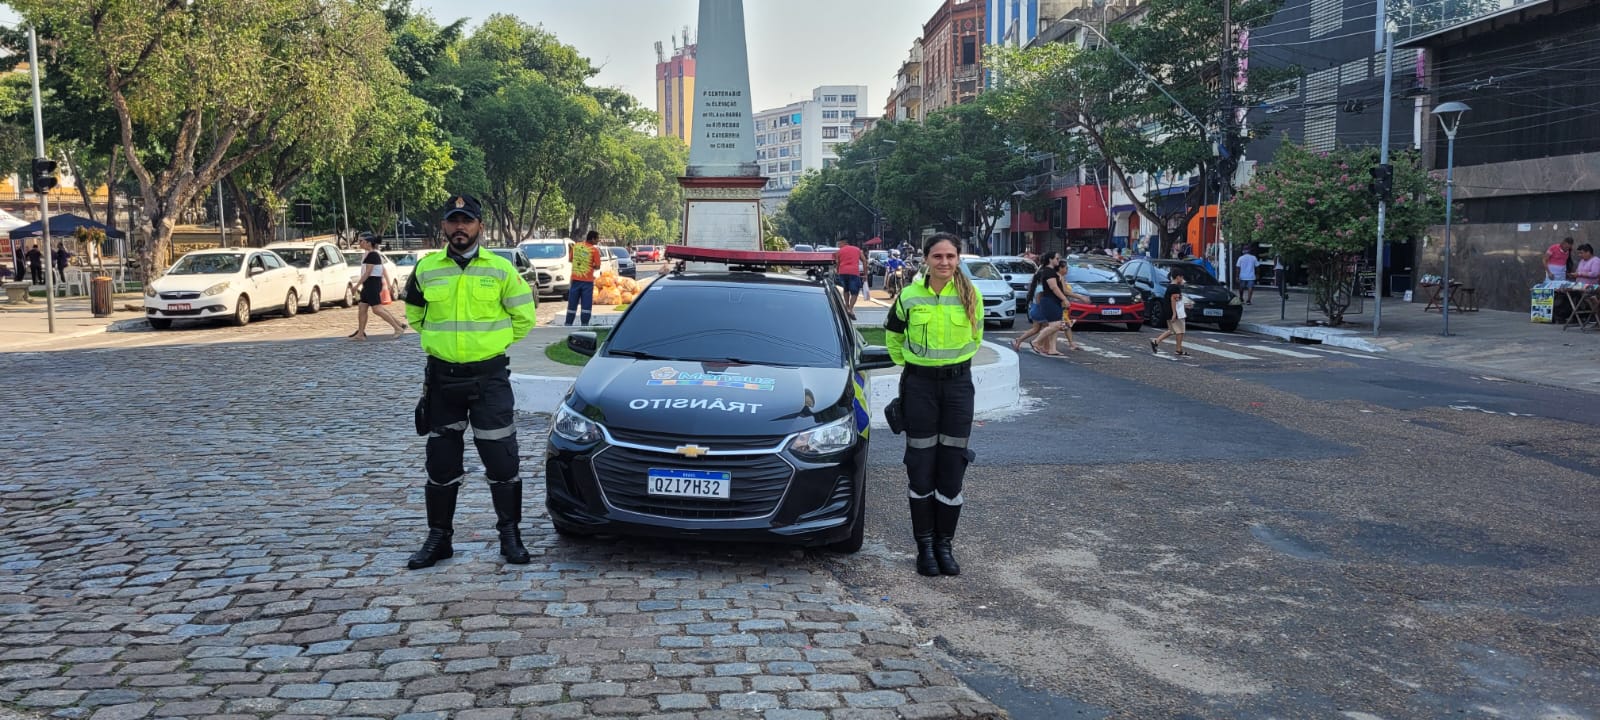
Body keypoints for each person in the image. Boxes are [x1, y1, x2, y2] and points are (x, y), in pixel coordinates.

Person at [402, 194, 538, 570]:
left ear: (480, 225)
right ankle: (439, 538)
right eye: (453, 220)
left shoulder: (500, 269)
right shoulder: (427, 268)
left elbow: (524, 317)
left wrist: (490, 345)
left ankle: (510, 536)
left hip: (489, 379)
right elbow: (414, 312)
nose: (459, 227)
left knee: (502, 459)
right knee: (441, 462)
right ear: (444, 226)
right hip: (442, 379)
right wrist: (442, 342)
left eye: (466, 220)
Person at [884, 232, 982, 577]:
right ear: (926, 259)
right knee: (921, 467)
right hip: (920, 388)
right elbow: (893, 336)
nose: (944, 262)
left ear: (958, 259)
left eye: (950, 256)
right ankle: (924, 547)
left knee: (952, 470)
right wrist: (913, 366)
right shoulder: (909, 296)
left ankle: (944, 545)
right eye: (937, 256)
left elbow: (977, 336)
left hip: (958, 389)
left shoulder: (971, 295)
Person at [349, 233, 407, 339]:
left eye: (361, 241)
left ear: (368, 243)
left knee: (377, 309)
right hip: (369, 284)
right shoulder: (370, 254)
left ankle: (397, 328)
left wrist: (356, 286)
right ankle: (360, 333)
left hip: (372, 284)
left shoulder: (373, 255)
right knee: (362, 307)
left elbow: (368, 272)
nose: (359, 243)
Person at [1149, 271, 1192, 358]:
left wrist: (1185, 305)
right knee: (1180, 331)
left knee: (1172, 330)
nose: (1183, 279)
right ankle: (1178, 350)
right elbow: (1173, 300)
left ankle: (1156, 341)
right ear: (1178, 277)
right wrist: (1174, 313)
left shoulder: (1171, 286)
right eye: (1182, 277)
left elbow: (1176, 300)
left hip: (1169, 311)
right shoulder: (1175, 288)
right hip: (1175, 312)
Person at [565, 230, 602, 326]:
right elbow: (598, 266)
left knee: (572, 303)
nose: (598, 241)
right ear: (593, 239)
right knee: (586, 305)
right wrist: (590, 265)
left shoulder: (576, 246)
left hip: (575, 280)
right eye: (597, 239)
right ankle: (584, 324)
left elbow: (571, 259)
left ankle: (568, 323)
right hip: (587, 282)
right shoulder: (594, 250)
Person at [835, 238, 864, 320]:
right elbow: (864, 261)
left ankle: (847, 306)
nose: (839, 246)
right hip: (854, 272)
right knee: (855, 292)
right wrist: (865, 274)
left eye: (839, 244)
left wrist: (837, 271)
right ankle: (850, 309)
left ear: (844, 243)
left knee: (846, 289)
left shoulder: (839, 252)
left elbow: (838, 263)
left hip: (843, 272)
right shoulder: (857, 250)